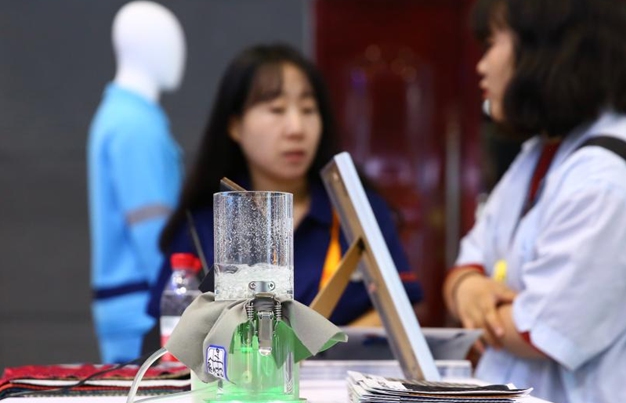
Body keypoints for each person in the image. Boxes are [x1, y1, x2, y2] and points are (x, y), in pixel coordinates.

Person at [442, 1, 626, 403]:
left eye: (491, 43)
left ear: (543, 50)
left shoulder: (605, 178)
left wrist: (481, 300)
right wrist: (468, 288)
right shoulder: (541, 153)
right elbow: (466, 263)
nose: (481, 65)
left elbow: (540, 333)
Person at [146, 44, 422, 333]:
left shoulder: (360, 212)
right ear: (235, 126)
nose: (296, 128)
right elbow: (172, 324)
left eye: (308, 109)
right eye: (276, 109)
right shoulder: (202, 223)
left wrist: (316, 350)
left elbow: (401, 310)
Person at [87, 1, 186, 363]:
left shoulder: (121, 116)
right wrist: (180, 301)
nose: (180, 53)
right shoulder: (135, 125)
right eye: (171, 41)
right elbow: (152, 231)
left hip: (129, 304)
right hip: (144, 309)